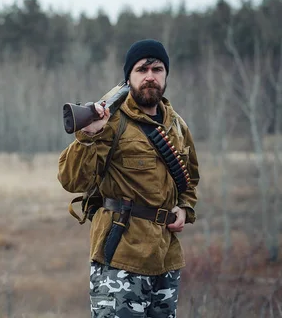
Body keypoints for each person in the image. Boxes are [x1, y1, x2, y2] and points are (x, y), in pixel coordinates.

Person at [57, 39, 200, 318]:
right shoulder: (110, 121)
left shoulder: (176, 126)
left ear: (166, 75)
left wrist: (184, 207)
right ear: (128, 78)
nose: (150, 76)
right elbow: (70, 179)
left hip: (165, 257)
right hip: (121, 257)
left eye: (157, 69)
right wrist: (90, 135)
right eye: (141, 69)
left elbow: (190, 179)